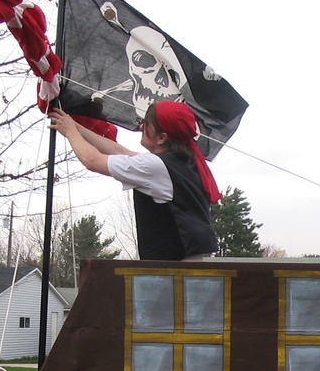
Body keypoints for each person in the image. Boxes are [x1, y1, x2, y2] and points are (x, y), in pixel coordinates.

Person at [49, 101, 219, 261]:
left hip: (172, 269)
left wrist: (70, 132)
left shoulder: (156, 166)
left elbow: (92, 160)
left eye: (146, 123)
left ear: (161, 138)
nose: (141, 126)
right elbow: (119, 151)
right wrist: (76, 126)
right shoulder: (181, 162)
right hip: (184, 263)